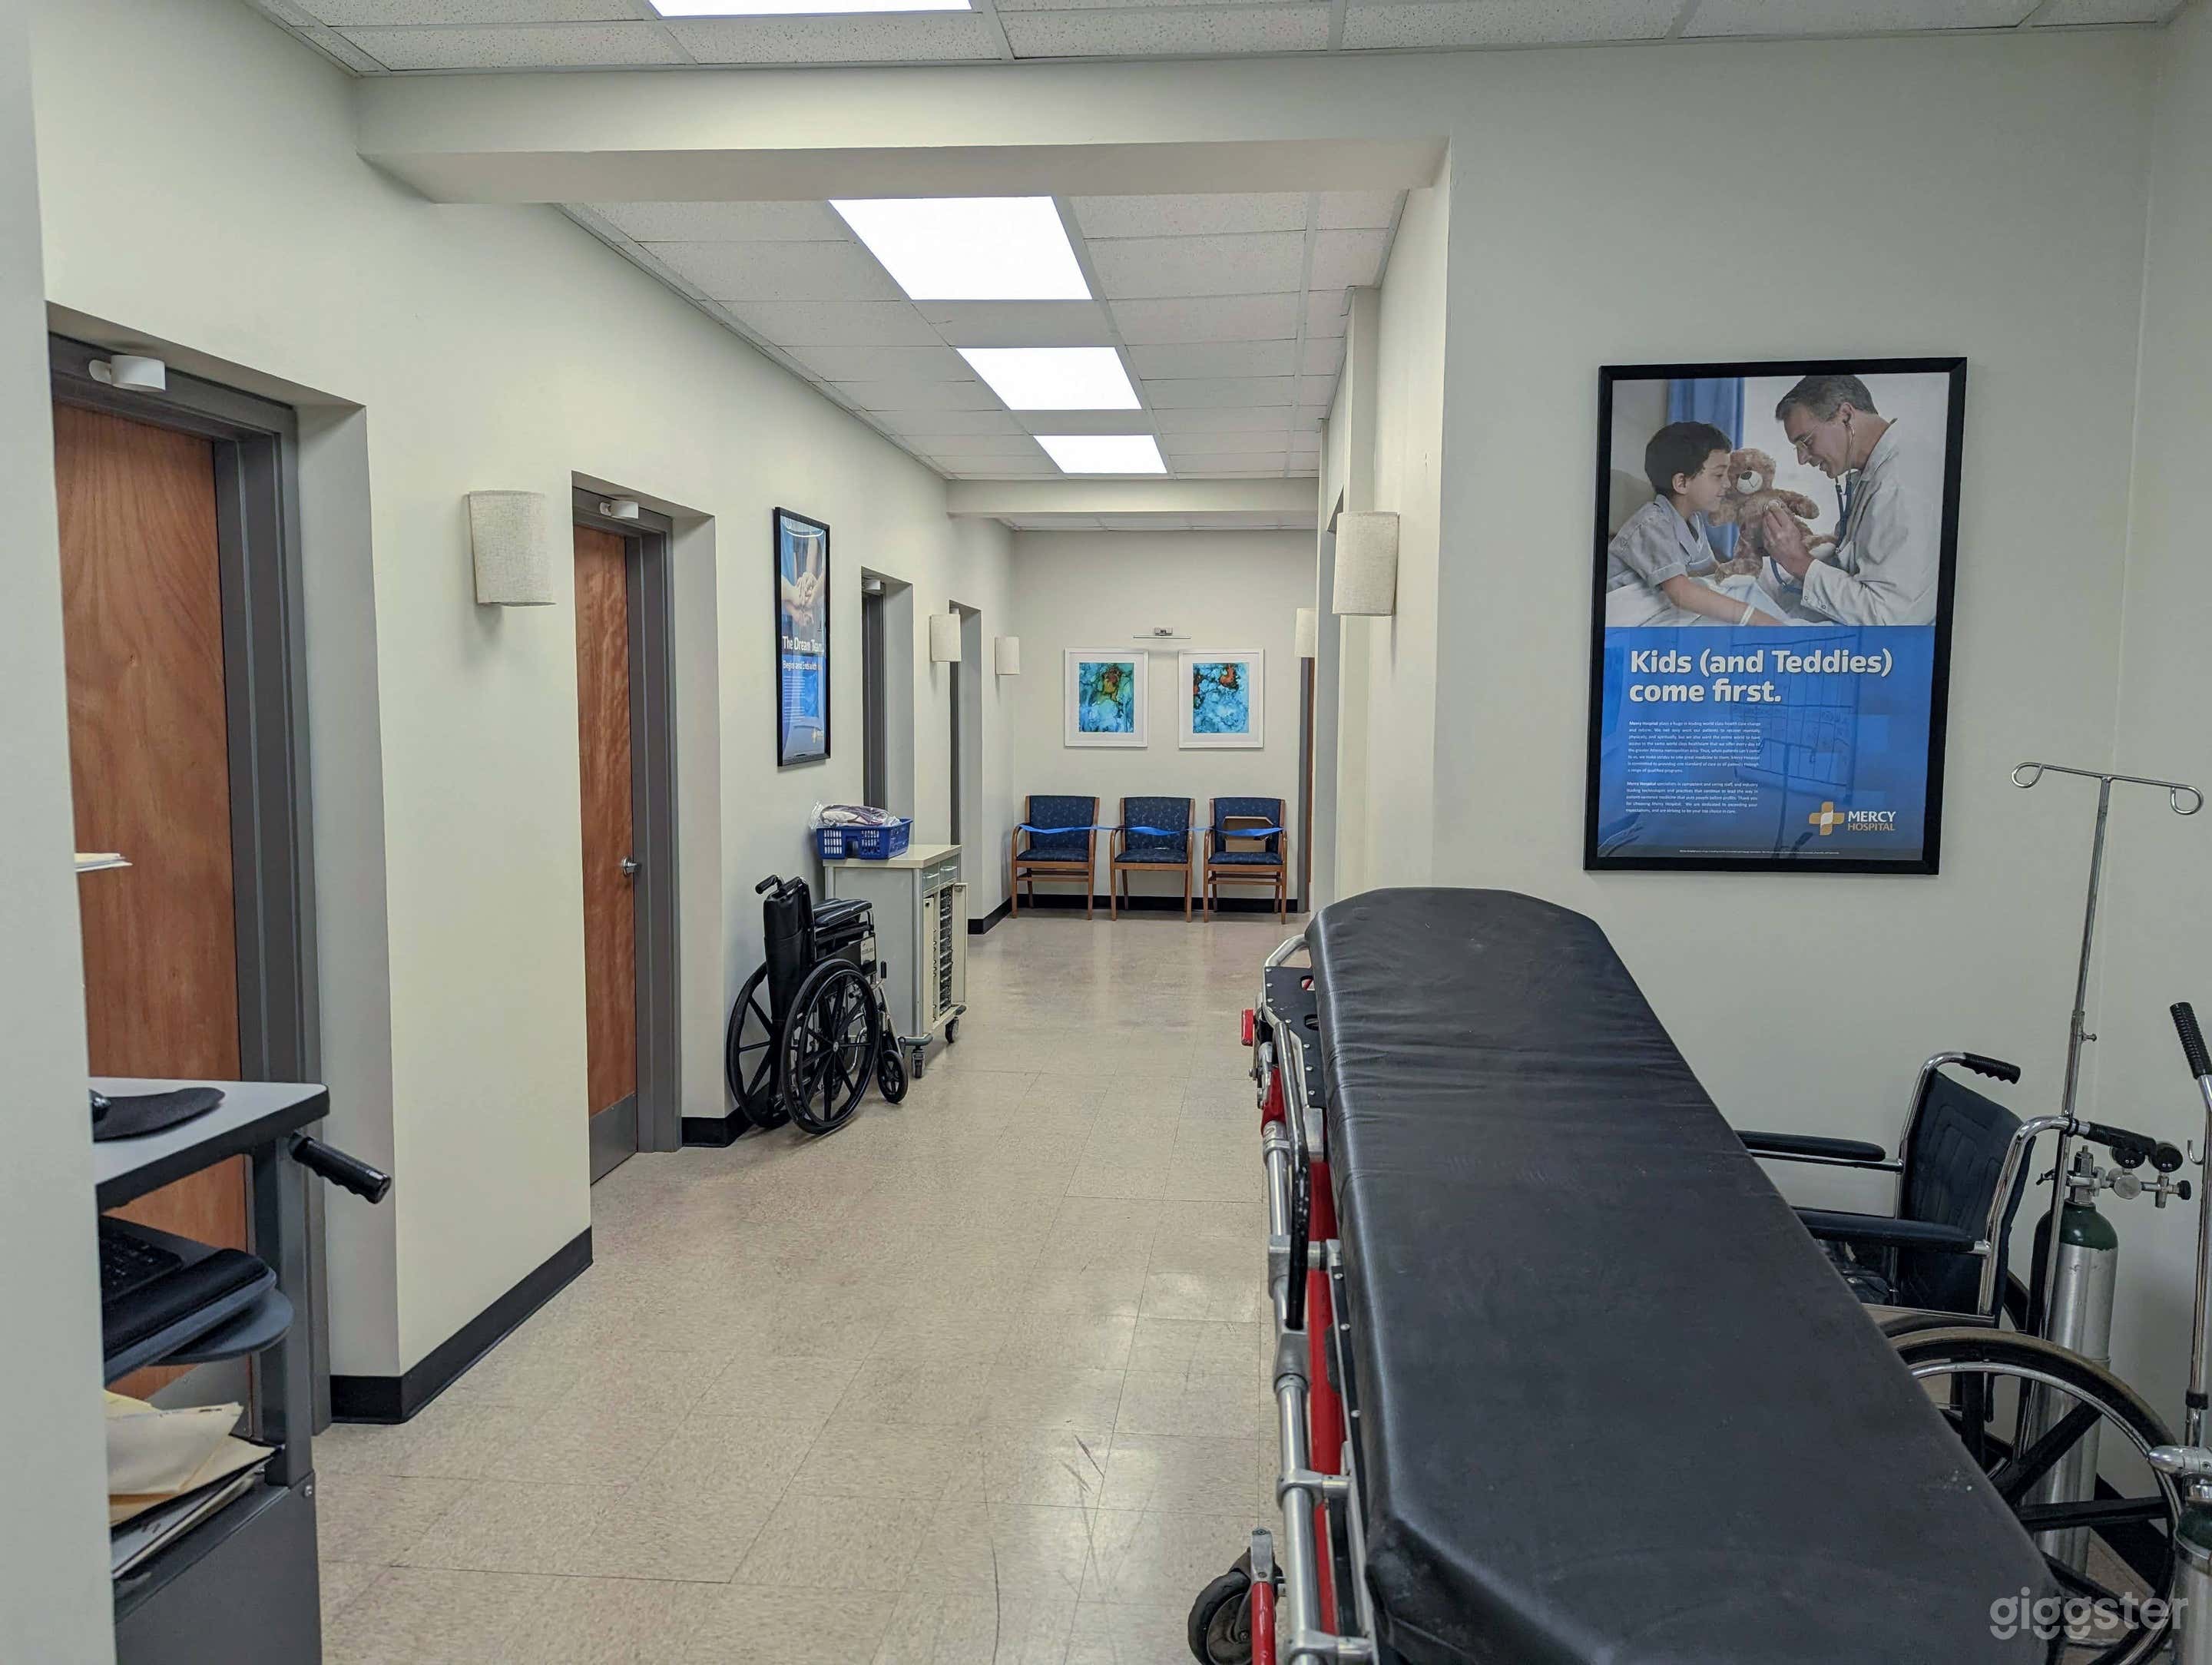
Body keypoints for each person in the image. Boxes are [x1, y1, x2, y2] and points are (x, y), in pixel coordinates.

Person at [1760, 373, 1938, 626]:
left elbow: (1889, 618)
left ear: (1845, 415)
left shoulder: (1900, 487)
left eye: (1806, 441)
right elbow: (1851, 560)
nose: (1802, 459)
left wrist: (1798, 561)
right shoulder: (1877, 472)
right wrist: (1791, 550)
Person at [1608, 421, 1785, 627]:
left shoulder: (1692, 521)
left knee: (1742, 588)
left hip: (1662, 608)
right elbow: (1681, 593)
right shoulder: (1652, 524)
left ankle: (1788, 628)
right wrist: (1752, 617)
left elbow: (1713, 573)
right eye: (1719, 475)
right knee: (1726, 616)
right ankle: (1781, 630)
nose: (1728, 484)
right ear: (1682, 483)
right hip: (1628, 616)